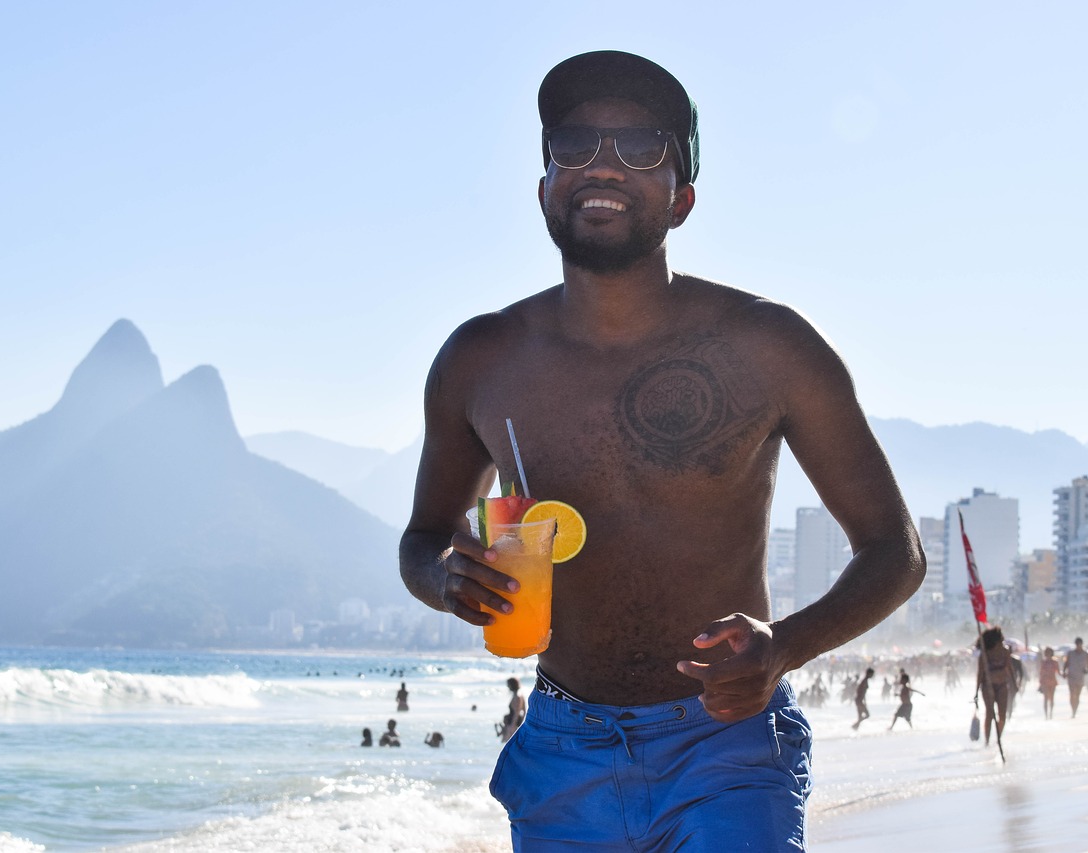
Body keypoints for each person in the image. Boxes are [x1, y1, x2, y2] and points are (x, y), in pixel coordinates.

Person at [397, 49, 925, 849]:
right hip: (561, 750)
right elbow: (422, 537)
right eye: (573, 144)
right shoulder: (481, 359)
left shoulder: (769, 346)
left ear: (681, 199)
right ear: (543, 188)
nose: (602, 165)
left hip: (727, 739)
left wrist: (784, 647)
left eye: (641, 147)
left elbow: (896, 551)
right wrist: (445, 577)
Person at [975, 626, 1015, 754]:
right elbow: (980, 672)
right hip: (988, 686)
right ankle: (987, 741)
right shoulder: (985, 654)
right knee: (989, 714)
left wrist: (1015, 683)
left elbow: (1010, 668)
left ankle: (998, 739)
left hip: (1002, 685)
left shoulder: (1005, 651)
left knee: (1002, 715)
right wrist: (976, 691)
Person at [1062, 637, 1088, 717]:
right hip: (1071, 676)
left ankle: (1075, 710)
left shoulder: (1086, 654)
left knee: (1078, 695)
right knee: (1072, 694)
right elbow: (1066, 663)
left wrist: (1087, 670)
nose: (1078, 646)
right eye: (1077, 644)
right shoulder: (1070, 653)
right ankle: (1073, 710)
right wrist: (1064, 672)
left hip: (1080, 677)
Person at [494, 677, 526, 743]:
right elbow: (524, 711)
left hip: (512, 725)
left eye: (508, 684)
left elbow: (516, 713)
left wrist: (512, 726)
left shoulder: (517, 696)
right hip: (513, 724)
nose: (507, 686)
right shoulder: (519, 695)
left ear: (512, 685)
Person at [1038, 647, 1060, 720]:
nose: (1048, 654)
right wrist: (1040, 683)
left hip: (1052, 682)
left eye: (1049, 653)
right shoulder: (1043, 662)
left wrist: (1064, 675)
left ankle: (1051, 713)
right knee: (1045, 698)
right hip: (1044, 682)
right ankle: (1046, 715)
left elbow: (1058, 671)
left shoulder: (1055, 662)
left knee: (1052, 698)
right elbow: (1041, 673)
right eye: (1047, 653)